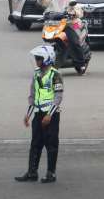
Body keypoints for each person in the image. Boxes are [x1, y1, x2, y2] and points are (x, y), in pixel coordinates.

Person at [15, 45, 63, 184]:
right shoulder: (36, 74)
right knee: (35, 143)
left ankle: (51, 174)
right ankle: (32, 172)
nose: (36, 61)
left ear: (47, 59)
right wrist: (28, 114)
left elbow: (58, 97)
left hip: (51, 115)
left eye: (39, 58)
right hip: (38, 114)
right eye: (36, 58)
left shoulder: (55, 75)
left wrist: (49, 115)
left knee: (51, 144)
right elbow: (33, 96)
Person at [37, 0, 86, 74]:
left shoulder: (70, 0)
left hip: (69, 25)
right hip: (56, 25)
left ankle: (81, 63)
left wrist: (73, 13)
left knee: (74, 41)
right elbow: (46, 2)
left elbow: (79, 11)